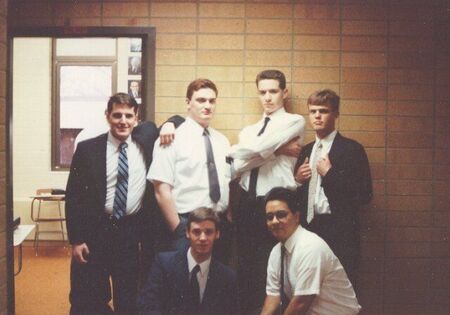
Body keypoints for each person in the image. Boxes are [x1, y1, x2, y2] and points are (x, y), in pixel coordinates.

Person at [65, 93, 182, 315]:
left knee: (128, 297)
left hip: (130, 234)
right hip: (95, 232)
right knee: (90, 297)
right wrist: (76, 239)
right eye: (117, 115)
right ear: (107, 116)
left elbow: (180, 119)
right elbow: (74, 196)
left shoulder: (146, 139)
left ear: (136, 119)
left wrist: (169, 124)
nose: (123, 121)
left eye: (128, 116)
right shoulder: (87, 149)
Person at [227, 69, 305, 313]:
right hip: (247, 203)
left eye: (273, 91)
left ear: (285, 92)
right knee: (247, 269)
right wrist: (277, 151)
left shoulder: (294, 121)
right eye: (263, 92)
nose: (268, 98)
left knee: (273, 270)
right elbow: (237, 166)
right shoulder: (250, 130)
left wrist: (243, 151)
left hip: (277, 204)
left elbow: (253, 149)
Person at [294, 89, 372, 285]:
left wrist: (330, 174)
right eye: (313, 111)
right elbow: (296, 196)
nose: (317, 116)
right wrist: (296, 181)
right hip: (309, 228)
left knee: (341, 287)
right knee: (309, 286)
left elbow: (365, 195)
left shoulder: (352, 149)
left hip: (340, 230)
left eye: (323, 111)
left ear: (336, 114)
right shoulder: (306, 150)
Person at [147, 78, 231, 254]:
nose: (207, 105)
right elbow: (161, 189)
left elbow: (225, 182)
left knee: (215, 279)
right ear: (188, 103)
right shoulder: (171, 138)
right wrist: (178, 230)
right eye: (201, 100)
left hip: (217, 225)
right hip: (186, 224)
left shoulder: (222, 141)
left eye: (212, 101)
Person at [261, 187, 361, 315]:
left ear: (296, 217)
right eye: (269, 217)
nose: (274, 221)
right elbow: (273, 297)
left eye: (281, 215)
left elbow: (301, 303)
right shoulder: (276, 252)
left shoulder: (310, 246)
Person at [137, 207, 238, 315]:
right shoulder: (164, 264)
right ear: (187, 233)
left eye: (208, 232)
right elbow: (148, 306)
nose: (203, 238)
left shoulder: (228, 277)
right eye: (196, 232)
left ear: (217, 234)